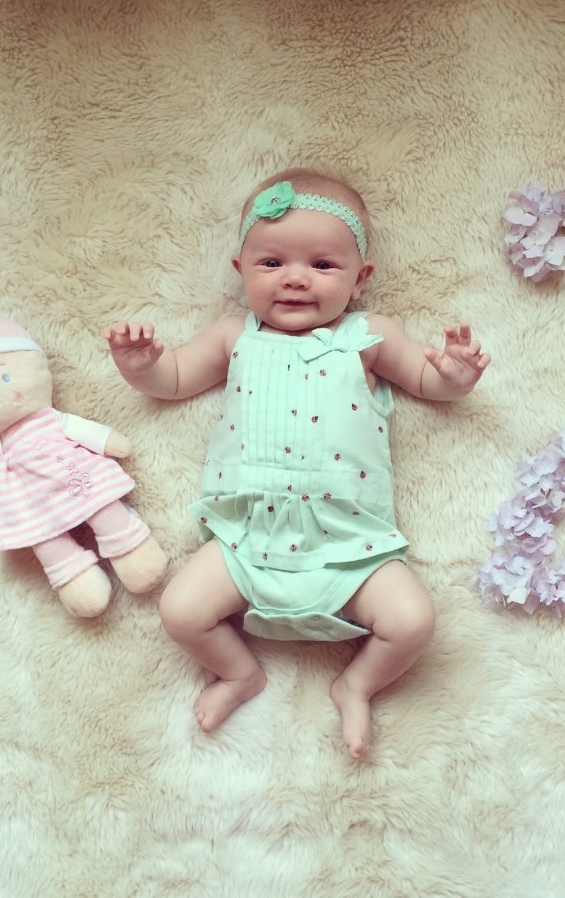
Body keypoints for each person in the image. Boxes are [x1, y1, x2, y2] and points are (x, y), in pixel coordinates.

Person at [104, 168, 490, 758]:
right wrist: (141, 365)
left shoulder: (369, 336)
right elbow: (173, 379)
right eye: (271, 263)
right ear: (241, 269)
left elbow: (426, 380)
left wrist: (454, 376)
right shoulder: (233, 336)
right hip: (246, 537)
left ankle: (355, 685)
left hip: (349, 544)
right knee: (180, 611)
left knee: (412, 622)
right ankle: (240, 674)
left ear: (360, 278)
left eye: (323, 265)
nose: (295, 279)